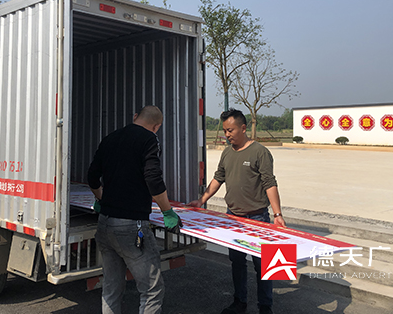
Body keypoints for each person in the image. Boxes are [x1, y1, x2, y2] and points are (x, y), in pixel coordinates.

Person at [189, 108, 286, 314]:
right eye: (225, 130)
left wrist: (277, 215)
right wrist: (202, 200)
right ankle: (239, 302)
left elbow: (270, 183)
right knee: (237, 262)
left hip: (258, 217)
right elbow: (218, 178)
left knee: (264, 265)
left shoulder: (260, 152)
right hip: (233, 217)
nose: (227, 134)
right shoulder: (227, 152)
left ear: (243, 128)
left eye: (230, 130)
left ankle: (265, 306)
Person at [88, 105, 182, 314]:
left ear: (135, 117)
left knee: (111, 288)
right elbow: (153, 180)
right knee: (152, 290)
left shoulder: (110, 138)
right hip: (131, 226)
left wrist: (102, 199)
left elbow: (92, 176)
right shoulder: (149, 140)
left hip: (105, 223)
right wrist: (167, 212)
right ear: (156, 127)